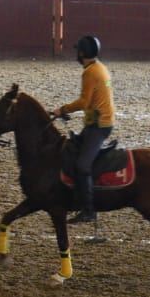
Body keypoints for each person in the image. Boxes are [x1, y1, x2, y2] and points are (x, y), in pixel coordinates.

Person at [52, 35, 113, 223]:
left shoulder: (90, 72)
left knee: (82, 165)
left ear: (82, 53)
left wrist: (62, 109)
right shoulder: (100, 67)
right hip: (96, 122)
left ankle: (89, 210)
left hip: (99, 126)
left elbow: (83, 101)